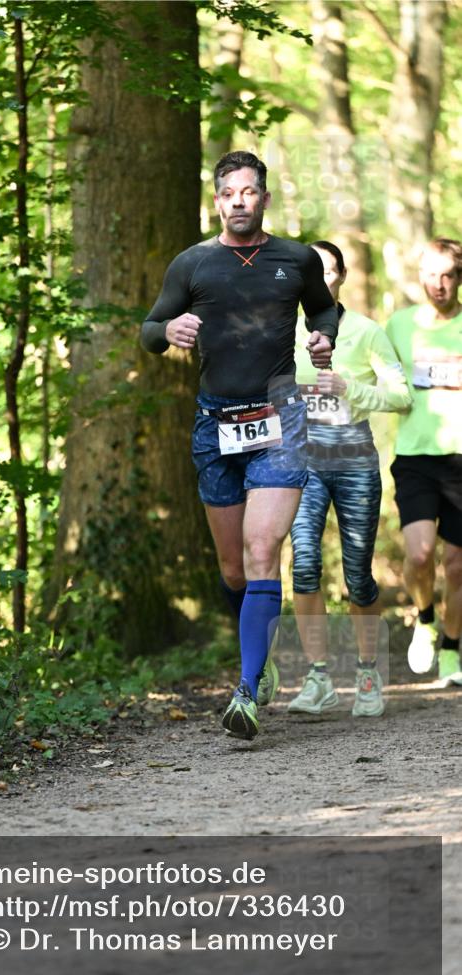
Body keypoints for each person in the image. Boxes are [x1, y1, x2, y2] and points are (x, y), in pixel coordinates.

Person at [140, 150, 338, 740]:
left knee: (260, 552)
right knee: (231, 570)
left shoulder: (296, 259)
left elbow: (324, 307)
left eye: (249, 192)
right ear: (218, 200)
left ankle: (246, 692)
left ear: (264, 198)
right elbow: (150, 327)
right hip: (215, 426)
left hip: (281, 420)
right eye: (229, 193)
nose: (239, 202)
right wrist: (166, 332)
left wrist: (324, 336)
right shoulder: (193, 264)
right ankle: (261, 656)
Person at [288, 241, 411, 718]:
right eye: (309, 270)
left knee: (358, 574)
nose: (319, 278)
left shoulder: (364, 331)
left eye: (328, 270)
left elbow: (401, 397)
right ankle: (317, 677)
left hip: (356, 462)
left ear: (340, 278)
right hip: (302, 462)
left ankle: (366, 671)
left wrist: (351, 389)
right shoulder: (283, 329)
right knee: (303, 564)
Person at [386, 238, 462, 687]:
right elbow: (371, 370)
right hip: (415, 456)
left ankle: (452, 650)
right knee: (420, 554)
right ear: (420, 279)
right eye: (431, 275)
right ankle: (426, 619)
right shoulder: (400, 326)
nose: (439, 284)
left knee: (457, 566)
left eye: (448, 274)